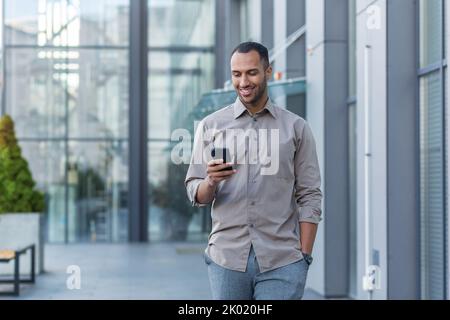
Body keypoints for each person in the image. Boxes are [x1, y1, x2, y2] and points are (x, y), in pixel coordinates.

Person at [185, 42, 322, 300]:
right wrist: (211, 181)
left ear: (267, 72)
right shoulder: (210, 126)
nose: (243, 82)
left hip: (282, 262)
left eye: (251, 73)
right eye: (236, 74)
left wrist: (303, 257)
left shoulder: (296, 128)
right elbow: (195, 192)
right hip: (227, 261)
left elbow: (310, 194)